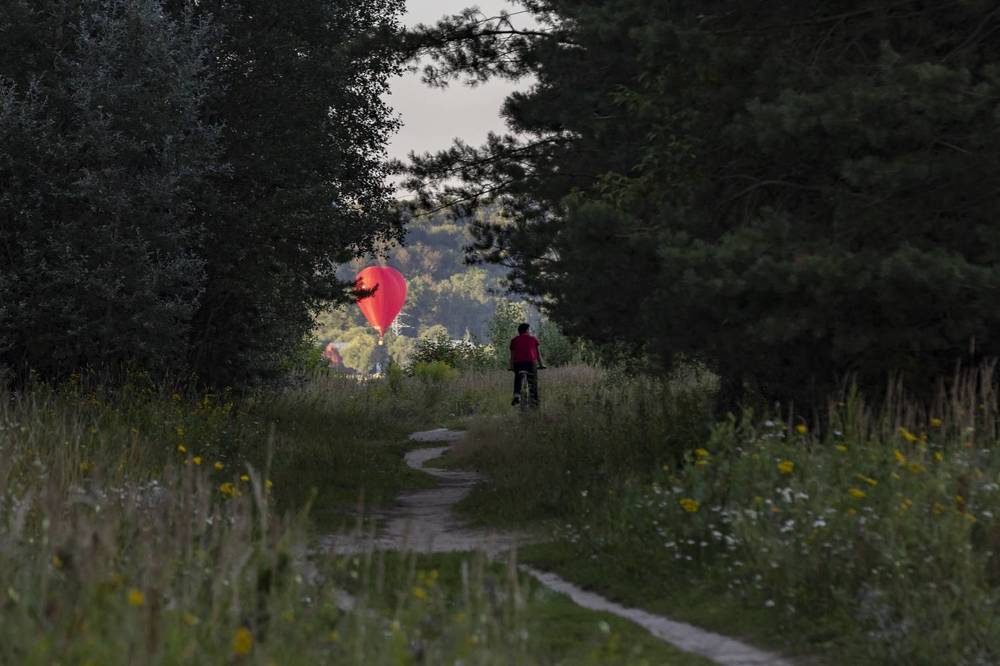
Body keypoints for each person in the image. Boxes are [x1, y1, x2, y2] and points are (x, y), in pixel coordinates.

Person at [509, 322, 545, 406]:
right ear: (527, 330)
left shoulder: (514, 340)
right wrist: (541, 365)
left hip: (518, 364)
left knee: (518, 377)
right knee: (533, 382)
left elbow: (512, 356)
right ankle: (534, 401)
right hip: (530, 363)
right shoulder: (533, 339)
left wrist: (511, 366)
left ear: (519, 331)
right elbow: (538, 354)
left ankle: (517, 395)